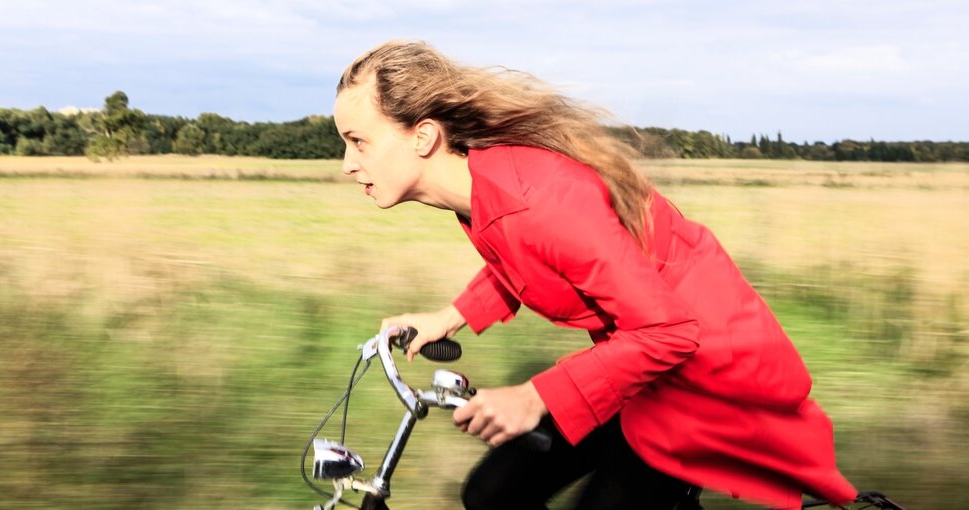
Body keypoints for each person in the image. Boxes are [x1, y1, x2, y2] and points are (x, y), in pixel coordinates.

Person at [332, 40, 857, 510]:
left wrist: (532, 396)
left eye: (359, 141)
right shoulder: (484, 190)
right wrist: (449, 316)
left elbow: (669, 330)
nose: (347, 164)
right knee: (492, 493)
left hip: (709, 376)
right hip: (642, 359)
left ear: (423, 136)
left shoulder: (541, 200)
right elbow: (525, 258)